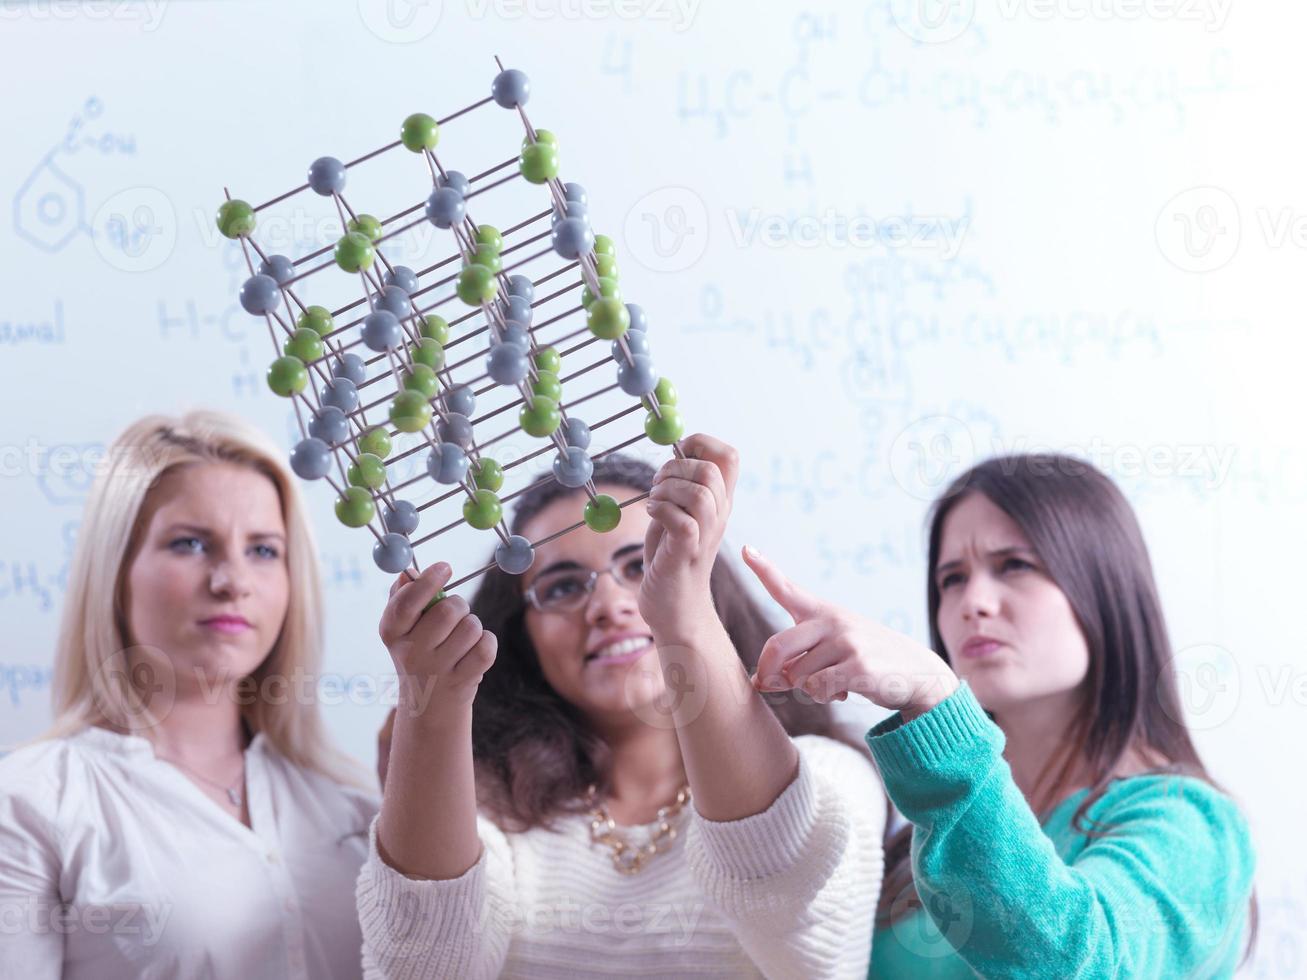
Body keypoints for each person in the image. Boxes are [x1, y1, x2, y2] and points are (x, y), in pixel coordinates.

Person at [358, 437, 886, 979]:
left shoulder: (828, 776)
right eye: (563, 587)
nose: (608, 606)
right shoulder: (489, 807)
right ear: (523, 637)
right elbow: (421, 968)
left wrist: (680, 611)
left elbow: (794, 907)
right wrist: (432, 711)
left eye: (640, 566)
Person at [745, 453, 1257, 977]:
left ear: (1104, 587)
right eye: (952, 578)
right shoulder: (924, 835)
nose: (974, 602)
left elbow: (1083, 965)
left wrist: (938, 702)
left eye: (1015, 565)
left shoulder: (1192, 824)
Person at [0, 411, 378, 980]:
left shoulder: (353, 804)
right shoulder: (30, 804)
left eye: (263, 550)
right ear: (116, 570)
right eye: (191, 543)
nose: (232, 581)